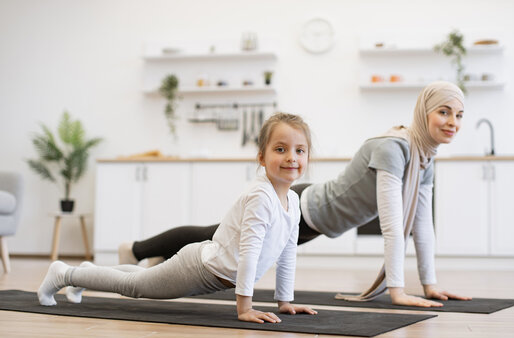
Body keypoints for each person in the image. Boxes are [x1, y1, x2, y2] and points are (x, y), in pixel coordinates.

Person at [119, 81, 472, 308]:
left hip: (315, 221)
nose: (452, 122)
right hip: (305, 208)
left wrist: (430, 284)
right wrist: (397, 291)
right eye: (443, 112)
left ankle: (150, 257)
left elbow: (422, 226)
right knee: (212, 238)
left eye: (458, 115)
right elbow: (395, 226)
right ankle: (135, 251)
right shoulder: (394, 148)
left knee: (212, 236)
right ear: (423, 111)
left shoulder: (424, 158)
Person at [37, 112, 318, 324]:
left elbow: (287, 253)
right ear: (261, 156)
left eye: (299, 150)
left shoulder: (292, 201)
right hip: (198, 269)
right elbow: (250, 253)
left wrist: (285, 302)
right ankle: (64, 274)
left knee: (144, 277)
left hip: (209, 270)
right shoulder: (261, 197)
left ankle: (85, 274)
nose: (291, 157)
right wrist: (245, 308)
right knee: (135, 287)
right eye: (280, 149)